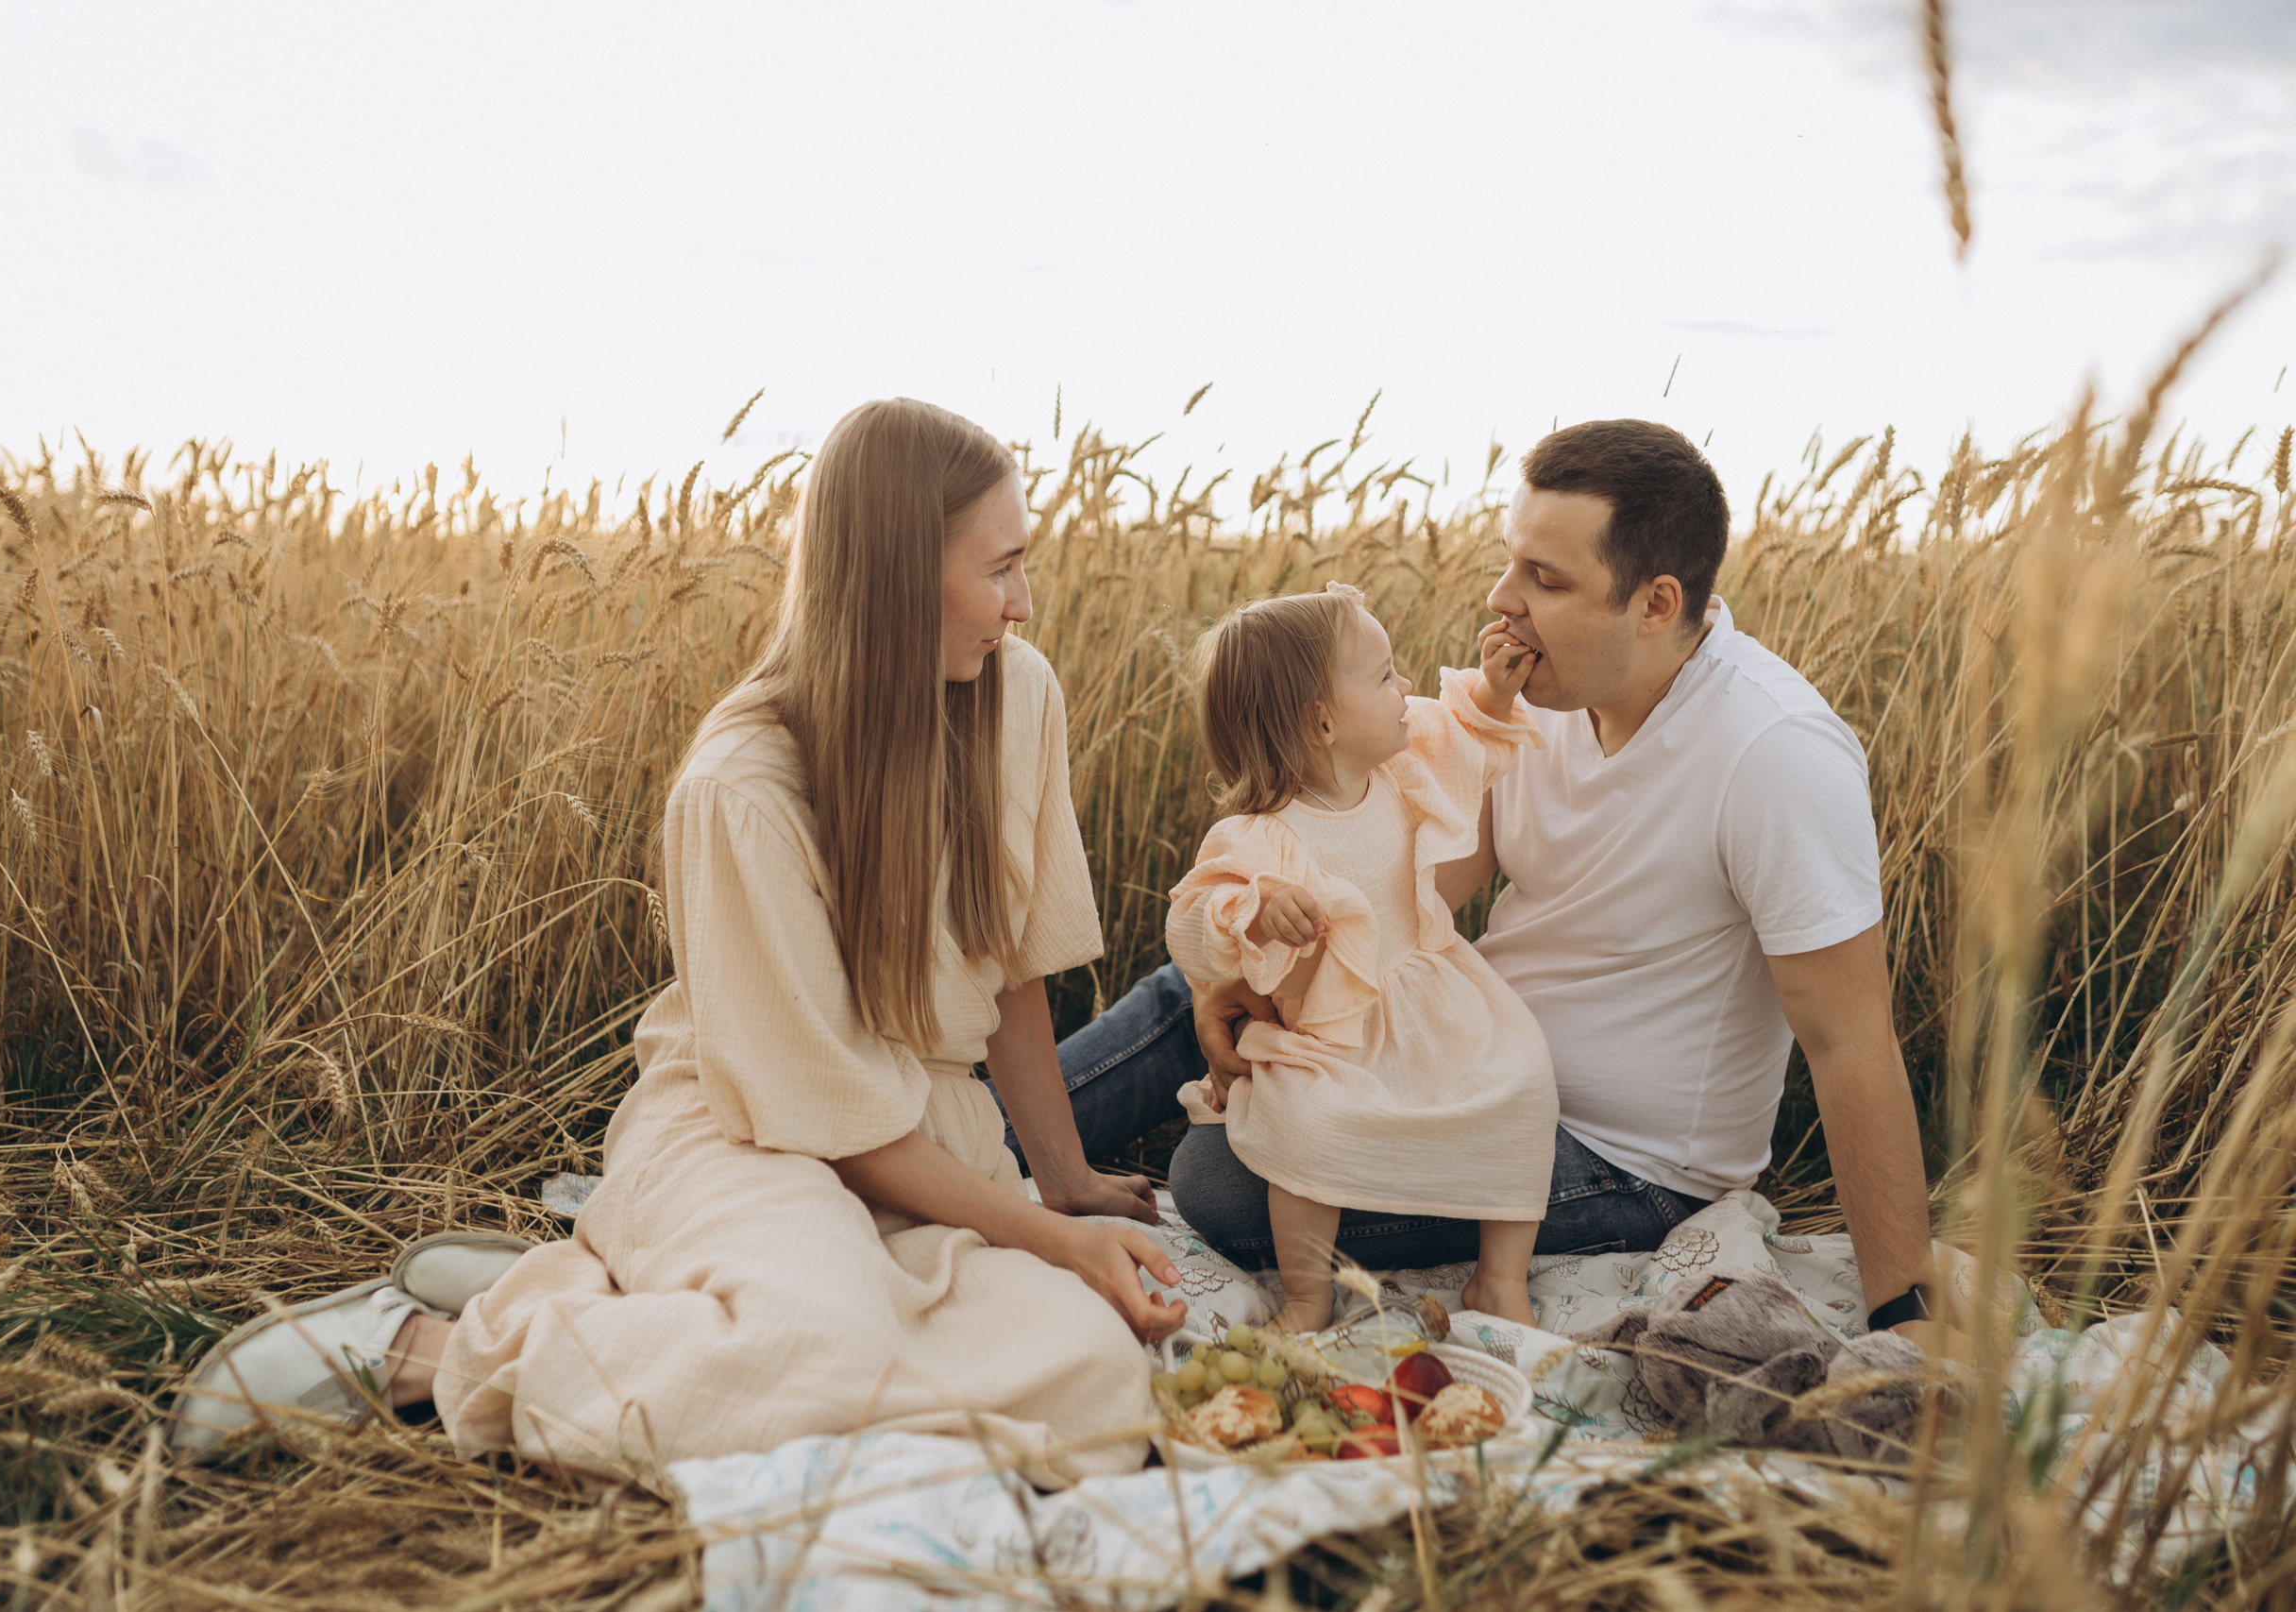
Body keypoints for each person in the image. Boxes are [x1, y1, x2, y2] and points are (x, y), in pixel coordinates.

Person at [169, 399, 1187, 1478]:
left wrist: (1065, 1185)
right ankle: (421, 1347)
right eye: (999, 569)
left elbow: (1011, 973)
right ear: (896, 577)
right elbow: (835, 1123)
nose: (1023, 603)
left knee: (1096, 1378)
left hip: (932, 1147)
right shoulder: (741, 787)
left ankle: (638, 1294)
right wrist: (1049, 1239)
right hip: (747, 1131)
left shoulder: (1016, 696)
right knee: (819, 1356)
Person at [1043, 419, 1941, 1345]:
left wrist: (1901, 1307)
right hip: (1456, 1060)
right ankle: (978, 1155)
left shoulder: (1774, 753)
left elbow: (1848, 1037)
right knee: (1210, 985)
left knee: (1222, 1184)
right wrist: (1244, 974)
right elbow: (1414, 891)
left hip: (1617, 1161)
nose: (1502, 600)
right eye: (1512, 562)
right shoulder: (1545, 699)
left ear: (1655, 602)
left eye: (1545, 579)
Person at [1163, 583, 1556, 1330]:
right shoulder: (1263, 835)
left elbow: (1460, 736)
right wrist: (1256, 910)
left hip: (1429, 992)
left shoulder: (1398, 771)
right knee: (1310, 1128)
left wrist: (1494, 695)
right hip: (1332, 1032)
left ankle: (1501, 1279)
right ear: (1322, 721)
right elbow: (1188, 922)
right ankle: (1308, 1294)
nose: (1406, 685)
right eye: (1384, 676)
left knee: (1523, 1079)